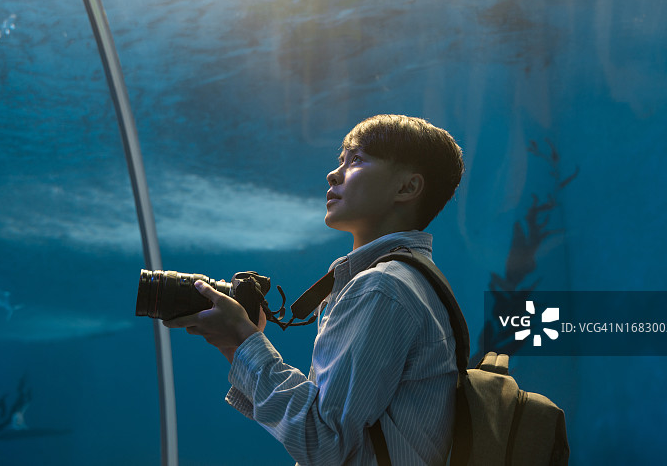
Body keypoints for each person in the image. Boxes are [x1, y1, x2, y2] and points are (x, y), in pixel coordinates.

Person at [165, 114, 465, 465]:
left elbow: (323, 444)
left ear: (407, 188)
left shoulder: (380, 287)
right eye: (342, 160)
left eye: (357, 160)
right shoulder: (411, 279)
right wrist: (237, 344)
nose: (333, 174)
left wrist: (246, 339)